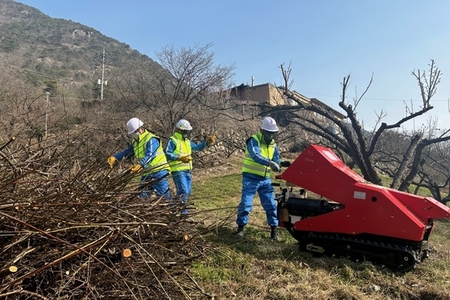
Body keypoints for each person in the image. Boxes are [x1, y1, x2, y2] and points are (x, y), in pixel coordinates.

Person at [235, 116, 282, 240]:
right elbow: (255, 155)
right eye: (268, 133)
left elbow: (276, 157)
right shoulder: (253, 140)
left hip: (265, 179)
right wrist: (270, 163)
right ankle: (240, 228)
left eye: (273, 133)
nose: (271, 136)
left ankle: (274, 230)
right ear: (261, 130)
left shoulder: (273, 144)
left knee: (270, 204)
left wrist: (278, 164)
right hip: (250, 178)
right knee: (246, 204)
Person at [107, 117, 171, 199]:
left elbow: (150, 155)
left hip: (159, 172)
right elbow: (127, 153)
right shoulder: (135, 141)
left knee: (163, 197)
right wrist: (115, 158)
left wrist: (140, 165)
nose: (133, 134)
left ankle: (171, 211)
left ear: (140, 129)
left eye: (134, 132)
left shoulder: (151, 139)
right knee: (141, 197)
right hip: (146, 173)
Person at [165, 119, 216, 214]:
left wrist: (206, 142)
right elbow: (167, 153)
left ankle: (173, 208)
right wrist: (179, 158)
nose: (188, 133)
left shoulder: (187, 141)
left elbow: (197, 147)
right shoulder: (173, 140)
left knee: (187, 192)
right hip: (178, 171)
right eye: (186, 131)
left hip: (187, 170)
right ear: (180, 130)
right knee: (183, 191)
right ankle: (183, 212)